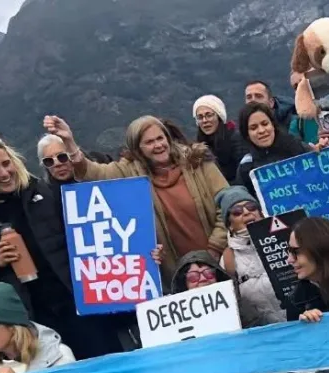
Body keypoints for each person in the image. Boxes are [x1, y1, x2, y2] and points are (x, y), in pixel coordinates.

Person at [0, 132, 126, 359]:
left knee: (107, 365)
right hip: (26, 321)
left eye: (6, 164)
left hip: (75, 304)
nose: (4, 173)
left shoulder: (41, 191)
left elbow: (91, 231)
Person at [42, 114, 229, 287]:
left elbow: (227, 203)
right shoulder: (130, 170)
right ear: (137, 148)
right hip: (177, 278)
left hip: (219, 262)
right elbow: (93, 173)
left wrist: (214, 249)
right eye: (149, 142)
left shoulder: (197, 161)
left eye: (160, 138)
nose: (158, 145)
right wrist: (69, 142)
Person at [215, 185, 285, 326]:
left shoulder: (286, 237)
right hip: (267, 333)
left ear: (260, 212)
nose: (246, 212)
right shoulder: (228, 260)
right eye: (237, 211)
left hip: (305, 319)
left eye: (251, 207)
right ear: (229, 225)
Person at [235, 102, 313, 198]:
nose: (261, 130)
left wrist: (321, 153)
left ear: (273, 125)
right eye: (253, 128)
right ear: (247, 134)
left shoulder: (298, 148)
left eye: (265, 124)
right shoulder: (246, 167)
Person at [194, 95, 247, 184]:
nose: (205, 120)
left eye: (209, 115)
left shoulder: (236, 138)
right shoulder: (199, 147)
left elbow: (244, 172)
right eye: (200, 117)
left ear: (219, 116)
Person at [245, 80, 310, 140]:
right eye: (249, 97)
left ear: (271, 103)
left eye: (258, 96)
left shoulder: (296, 123)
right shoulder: (244, 130)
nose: (253, 100)